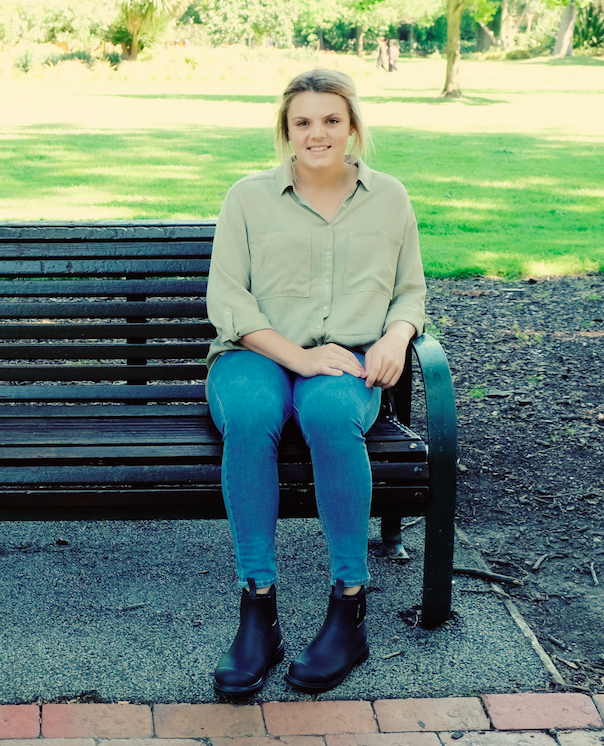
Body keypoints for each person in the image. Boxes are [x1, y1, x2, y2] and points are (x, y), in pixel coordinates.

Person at [205, 68, 425, 696]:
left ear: (352, 125)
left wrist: (396, 335)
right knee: (250, 416)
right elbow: (229, 300)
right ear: (286, 131)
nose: (317, 133)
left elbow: (410, 290)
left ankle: (349, 606)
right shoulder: (247, 197)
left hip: (350, 360)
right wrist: (297, 359)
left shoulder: (390, 197)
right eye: (302, 121)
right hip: (254, 354)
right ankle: (259, 609)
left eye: (331, 119)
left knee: (330, 416)